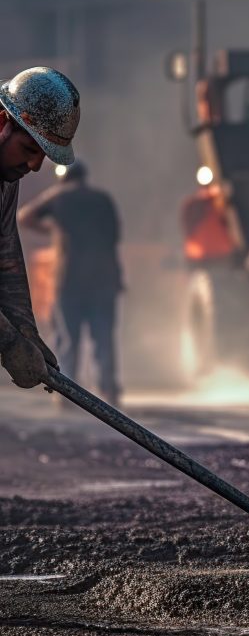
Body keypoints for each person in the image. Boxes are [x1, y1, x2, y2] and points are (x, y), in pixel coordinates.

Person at [0, 67, 80, 390]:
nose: (34, 166)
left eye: (42, 157)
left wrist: (27, 333)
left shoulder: (6, 175)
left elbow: (6, 254)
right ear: (3, 123)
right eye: (30, 150)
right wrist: (10, 344)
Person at [19, 160, 124, 406]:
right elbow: (115, 235)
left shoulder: (59, 196)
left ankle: (67, 394)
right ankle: (109, 391)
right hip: (103, 279)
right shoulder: (102, 199)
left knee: (68, 339)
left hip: (70, 280)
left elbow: (24, 217)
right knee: (103, 337)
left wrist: (52, 230)